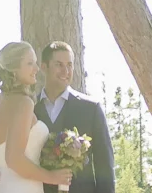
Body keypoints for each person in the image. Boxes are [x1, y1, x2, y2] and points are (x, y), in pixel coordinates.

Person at [0, 42, 73, 193]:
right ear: (14, 70)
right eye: (30, 63)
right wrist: (53, 177)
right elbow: (14, 159)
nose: (36, 69)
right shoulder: (24, 103)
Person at [34, 42, 114, 193]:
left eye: (69, 65)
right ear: (44, 67)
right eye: (59, 64)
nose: (66, 71)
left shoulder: (91, 108)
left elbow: (104, 166)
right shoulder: (30, 108)